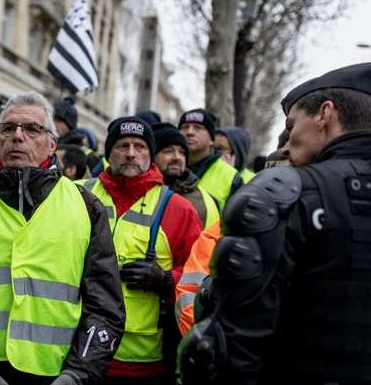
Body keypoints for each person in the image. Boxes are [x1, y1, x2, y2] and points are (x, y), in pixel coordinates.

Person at [178, 62, 371, 384]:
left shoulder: (284, 195)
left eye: (292, 124)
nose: (289, 138)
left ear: (325, 114)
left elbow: (232, 347)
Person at [0, 91, 125, 385]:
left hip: (56, 374)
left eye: (32, 129)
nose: (18, 136)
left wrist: (78, 374)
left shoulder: (86, 207)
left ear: (52, 143)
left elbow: (105, 308)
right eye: (8, 128)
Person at [81, 116, 202, 385]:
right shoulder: (78, 194)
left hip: (142, 361)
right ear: (108, 151)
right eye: (122, 145)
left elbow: (201, 278)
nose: (131, 153)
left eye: (140, 146)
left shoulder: (178, 208)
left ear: (151, 154)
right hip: (77, 352)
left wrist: (165, 280)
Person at [152, 122, 220, 229]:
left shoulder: (205, 200)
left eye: (182, 152)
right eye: (168, 151)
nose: (177, 157)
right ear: (152, 157)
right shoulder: (140, 193)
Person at [178, 108, 242, 209]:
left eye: (198, 128)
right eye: (184, 127)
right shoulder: (166, 168)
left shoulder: (231, 177)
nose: (189, 132)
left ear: (212, 140)